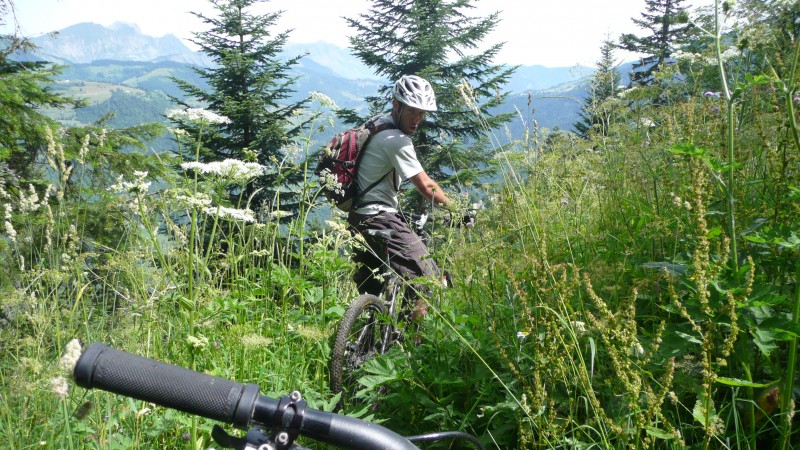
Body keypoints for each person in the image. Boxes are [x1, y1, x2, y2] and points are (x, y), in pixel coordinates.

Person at [348, 74, 453, 321]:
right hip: (380, 218)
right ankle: (412, 346)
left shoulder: (378, 124)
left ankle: (371, 340)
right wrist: (457, 209)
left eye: (422, 113)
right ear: (397, 105)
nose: (418, 119)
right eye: (413, 111)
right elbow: (426, 186)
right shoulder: (396, 140)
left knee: (374, 285)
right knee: (431, 276)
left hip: (357, 218)